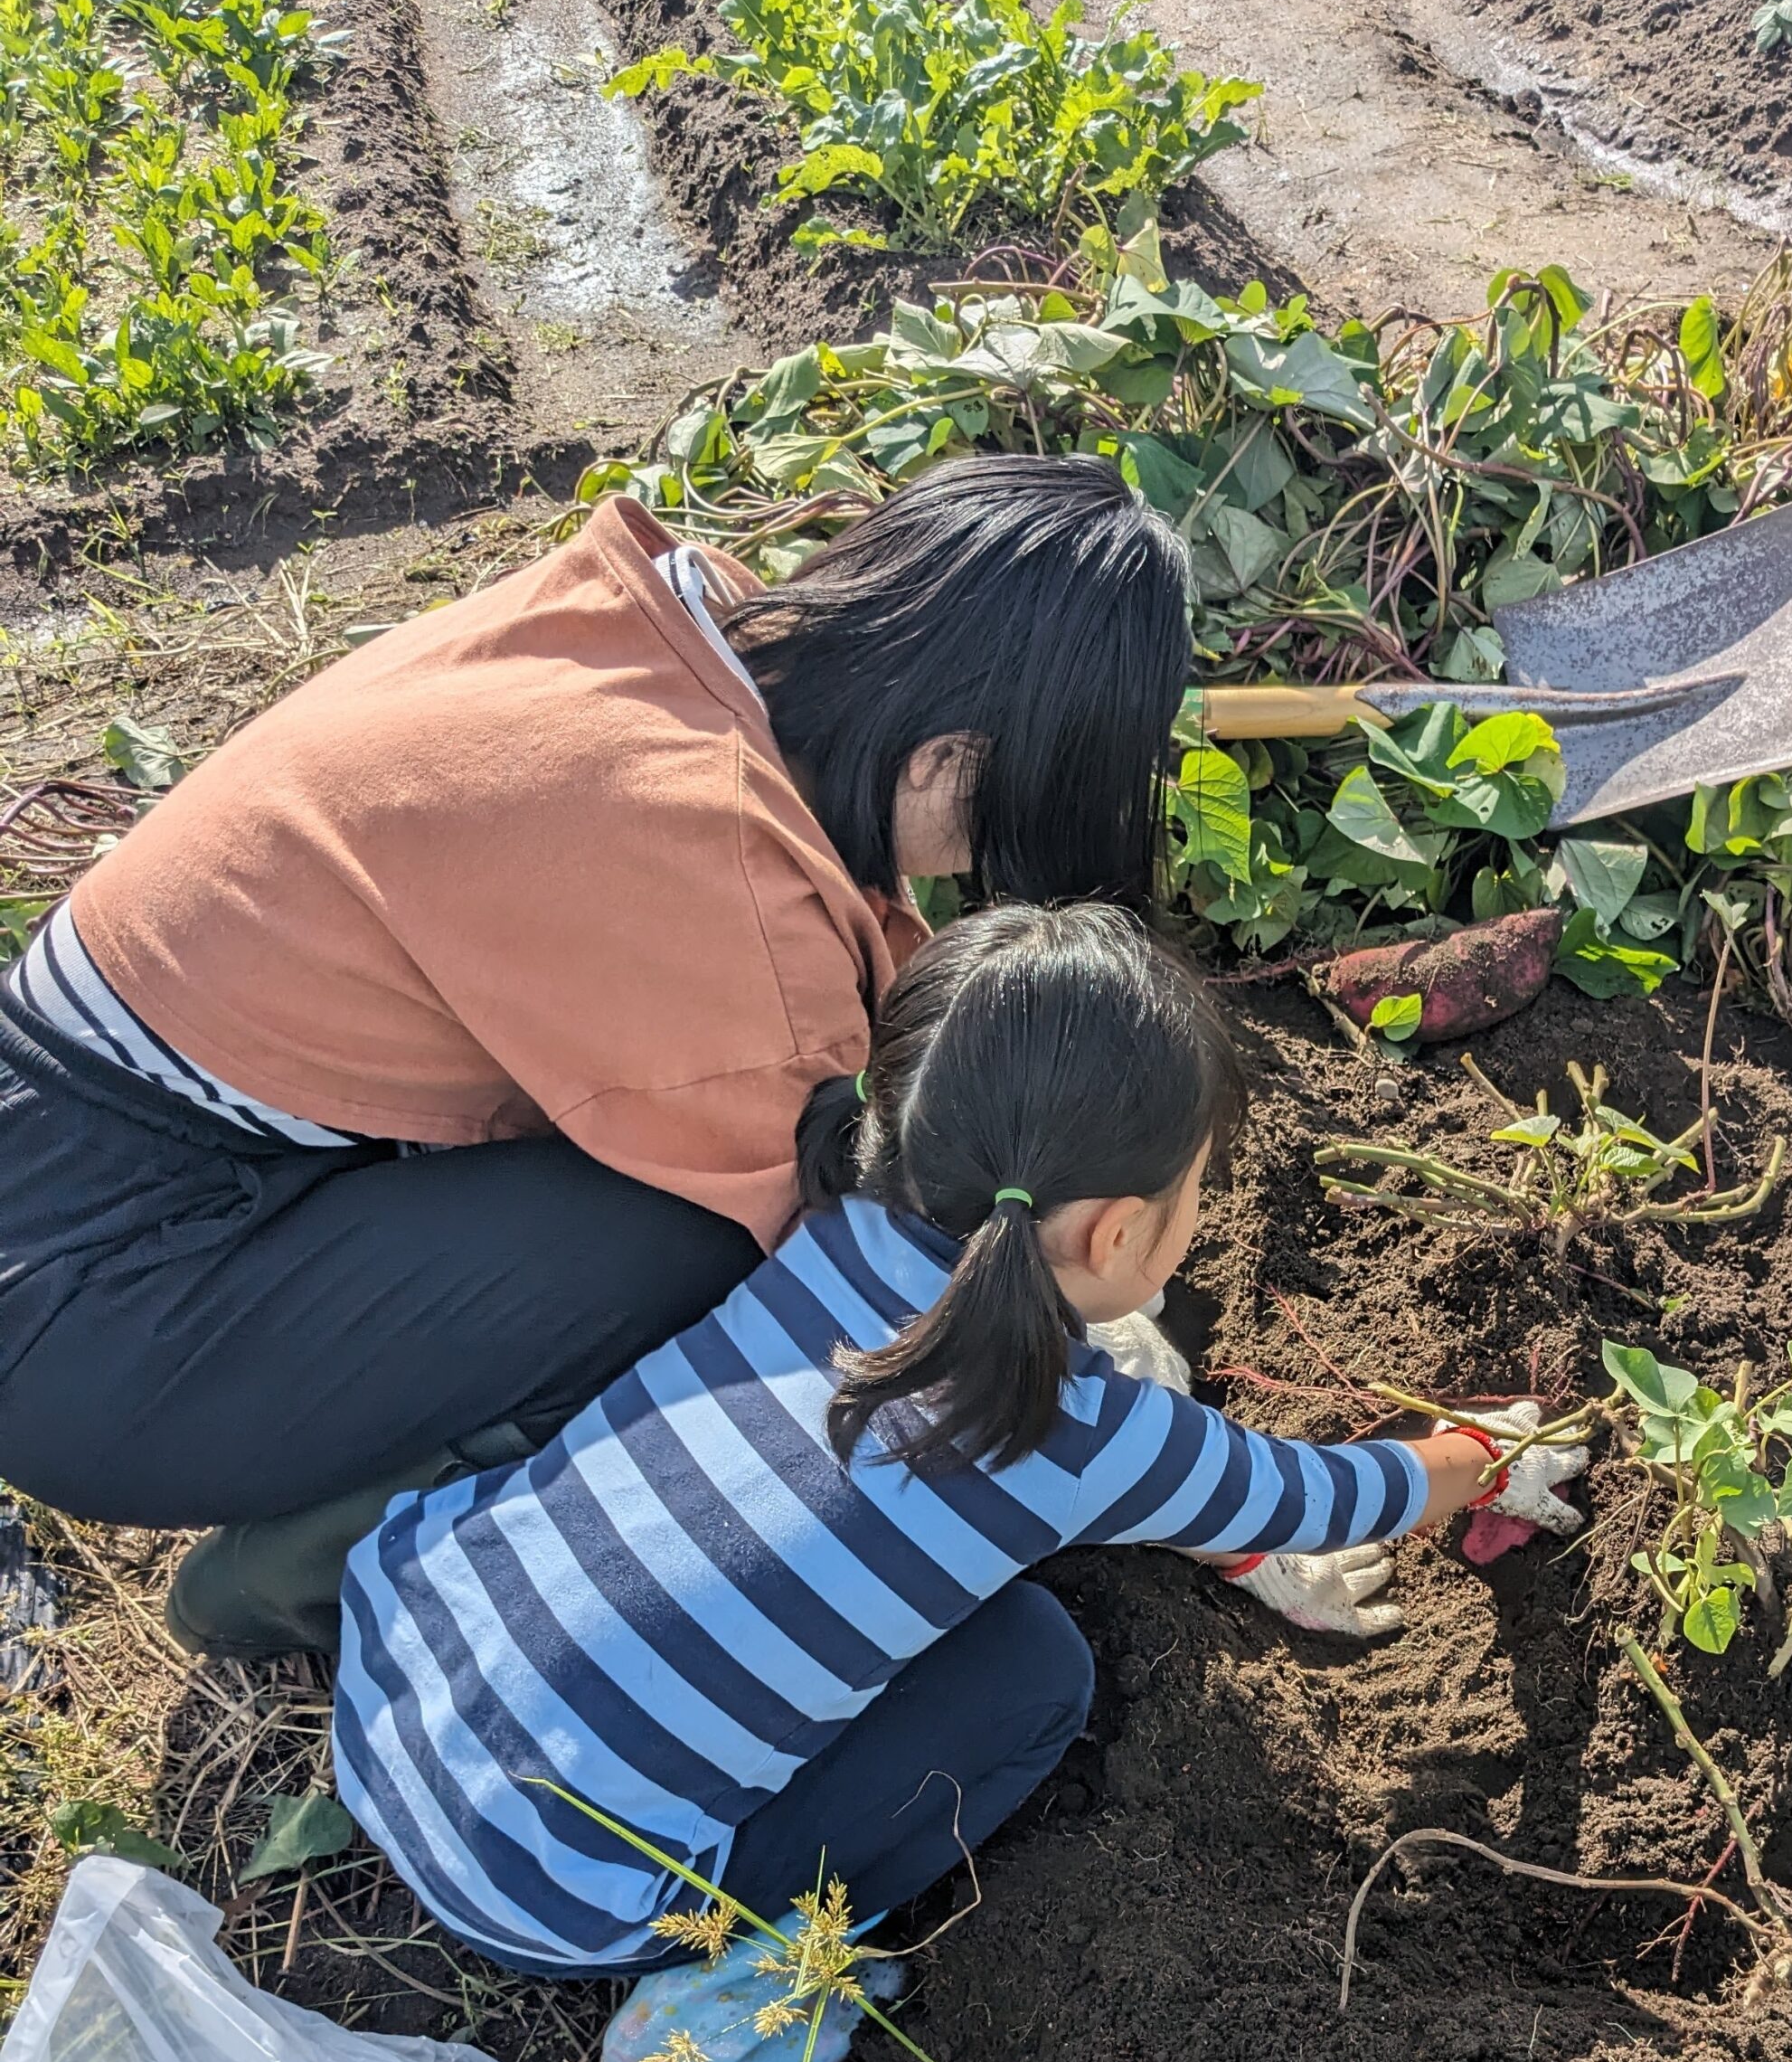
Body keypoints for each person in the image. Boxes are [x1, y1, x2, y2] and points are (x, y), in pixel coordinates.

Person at [328, 903, 1589, 2062]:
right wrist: (1486, 1452)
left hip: (391, 1671)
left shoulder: (826, 1233)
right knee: (1032, 1668)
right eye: (1197, 1192)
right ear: (1110, 1236)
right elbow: (1326, 1496)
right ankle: (759, 1981)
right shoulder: (1083, 1431)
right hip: (552, 1894)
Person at [0, 456, 1194, 1652]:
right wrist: (1086, 1378)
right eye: (994, 819)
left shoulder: (674, 625)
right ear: (941, 758)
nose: (957, 867)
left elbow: (855, 962)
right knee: (703, 1247)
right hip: (94, 1311)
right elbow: (855, 1252)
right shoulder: (700, 860)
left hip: (94, 1150)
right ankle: (317, 1579)